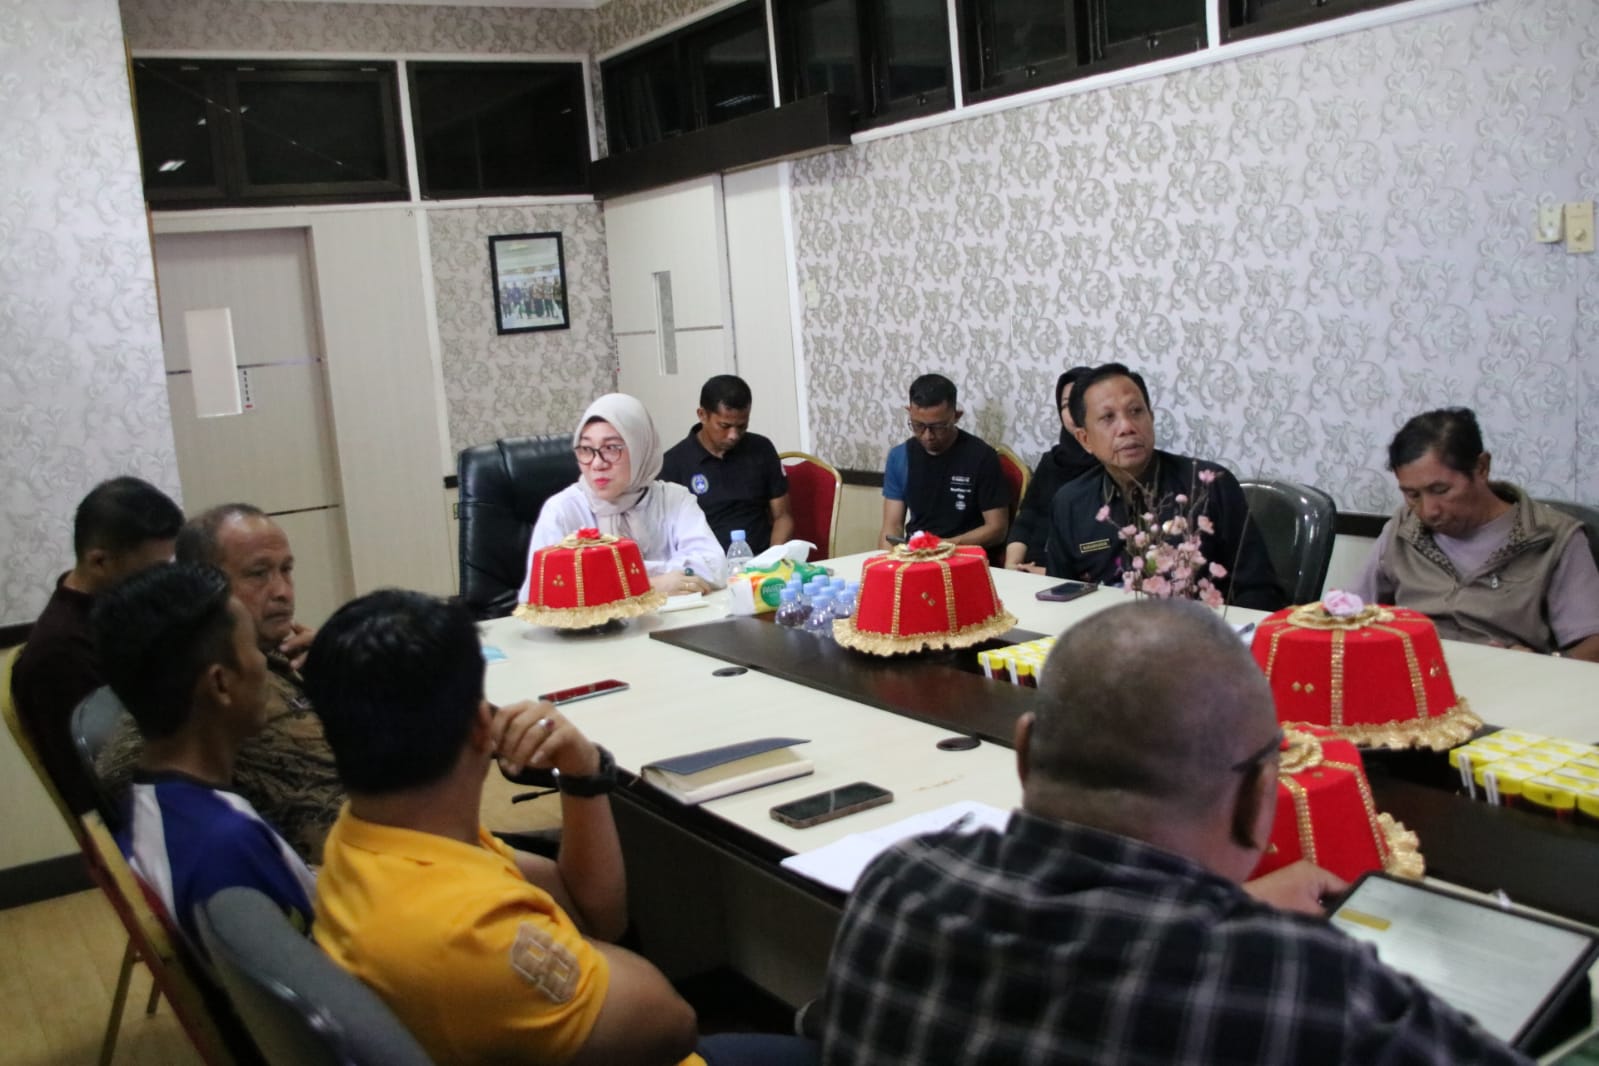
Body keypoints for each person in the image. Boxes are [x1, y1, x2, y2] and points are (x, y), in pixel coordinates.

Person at [816, 599, 1531, 1065]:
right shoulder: (1300, 983)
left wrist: (1234, 918)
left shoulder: (899, 885)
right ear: (1262, 796)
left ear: (1026, 754)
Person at [305, 589, 814, 1066]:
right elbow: (673, 1024)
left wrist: (583, 774)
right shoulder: (467, 931)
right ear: (483, 724)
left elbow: (597, 914)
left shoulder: (371, 839)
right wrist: (584, 950)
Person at [97, 504, 342, 863]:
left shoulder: (291, 653)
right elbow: (126, 774)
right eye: (259, 573)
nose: (283, 591)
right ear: (203, 582)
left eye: (286, 570)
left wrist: (342, 671)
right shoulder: (196, 689)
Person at [96, 563, 315, 954]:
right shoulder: (228, 845)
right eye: (253, 648)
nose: (265, 663)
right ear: (220, 683)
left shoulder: (157, 802)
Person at [1352, 408, 1599, 660]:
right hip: (1419, 678)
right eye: (1412, 495)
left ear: (1481, 468)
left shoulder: (1553, 537)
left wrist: (1541, 664)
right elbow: (1349, 615)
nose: (1428, 511)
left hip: (1512, 683)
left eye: (1440, 489)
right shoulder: (1402, 529)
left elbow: (1594, 645)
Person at [1046, 363, 1284, 610]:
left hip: (1203, 636)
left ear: (1151, 417)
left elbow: (1259, 591)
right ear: (1085, 439)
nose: (1127, 427)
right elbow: (1062, 599)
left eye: (1136, 411)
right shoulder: (1070, 503)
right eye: (1108, 417)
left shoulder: (1210, 486)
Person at [11, 476, 183, 814]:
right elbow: (109, 783)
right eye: (152, 572)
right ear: (99, 562)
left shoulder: (118, 613)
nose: (161, 585)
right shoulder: (60, 655)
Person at [521, 393, 727, 598]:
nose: (597, 463)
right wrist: (646, 585)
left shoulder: (674, 499)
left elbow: (715, 567)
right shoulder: (562, 510)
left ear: (641, 448)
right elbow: (539, 594)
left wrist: (601, 582)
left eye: (611, 448)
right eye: (586, 449)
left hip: (673, 625)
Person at [661, 374, 794, 554]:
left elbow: (783, 516)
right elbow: (667, 536)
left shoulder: (761, 449)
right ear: (702, 415)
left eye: (741, 426)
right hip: (705, 570)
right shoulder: (673, 464)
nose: (733, 435)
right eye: (724, 426)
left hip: (762, 564)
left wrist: (774, 556)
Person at [879, 374, 1009, 551]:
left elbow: (997, 529)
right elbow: (892, 526)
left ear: (956, 416)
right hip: (917, 553)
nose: (927, 435)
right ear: (909, 411)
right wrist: (888, 562)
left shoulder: (981, 457)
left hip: (965, 554)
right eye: (918, 426)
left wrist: (947, 545)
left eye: (938, 427)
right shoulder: (900, 456)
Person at [1003, 367, 1099, 573]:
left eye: (1080, 403)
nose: (1073, 412)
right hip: (1028, 570)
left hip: (1074, 578)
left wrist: (1047, 573)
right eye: (1066, 405)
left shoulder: (1112, 466)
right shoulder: (1052, 461)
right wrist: (1013, 565)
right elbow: (1027, 516)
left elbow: (1101, 547)